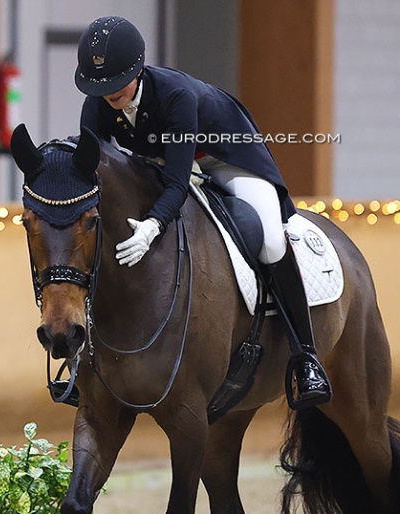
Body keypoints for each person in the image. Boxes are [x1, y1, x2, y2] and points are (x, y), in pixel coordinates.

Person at [74, 16, 331, 406]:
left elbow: (178, 183)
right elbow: (97, 168)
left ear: (139, 70)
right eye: (101, 86)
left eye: (116, 83)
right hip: (166, 162)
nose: (109, 94)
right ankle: (86, 359)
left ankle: (306, 357)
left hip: (226, 157)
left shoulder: (176, 95)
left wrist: (152, 227)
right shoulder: (98, 103)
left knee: (272, 242)